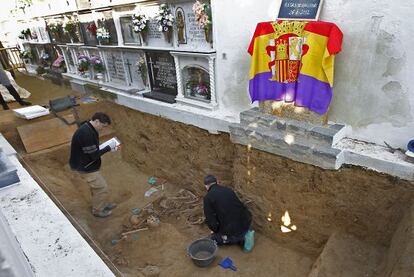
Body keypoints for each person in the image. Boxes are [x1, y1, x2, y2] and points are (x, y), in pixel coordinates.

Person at [69, 112, 118, 218]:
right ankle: (98, 210)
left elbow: (92, 147)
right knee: (101, 188)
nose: (103, 129)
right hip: (85, 166)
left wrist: (103, 146)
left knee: (96, 188)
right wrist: (109, 147)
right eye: (103, 126)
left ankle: (102, 204)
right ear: (97, 121)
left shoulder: (89, 128)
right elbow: (94, 155)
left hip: (86, 163)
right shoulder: (86, 133)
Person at [203, 175, 253, 249]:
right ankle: (241, 235)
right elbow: (239, 206)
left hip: (232, 230)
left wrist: (215, 231)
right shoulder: (228, 190)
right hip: (245, 222)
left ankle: (236, 239)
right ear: (217, 182)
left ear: (206, 186)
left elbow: (211, 221)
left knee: (213, 239)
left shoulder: (208, 198)